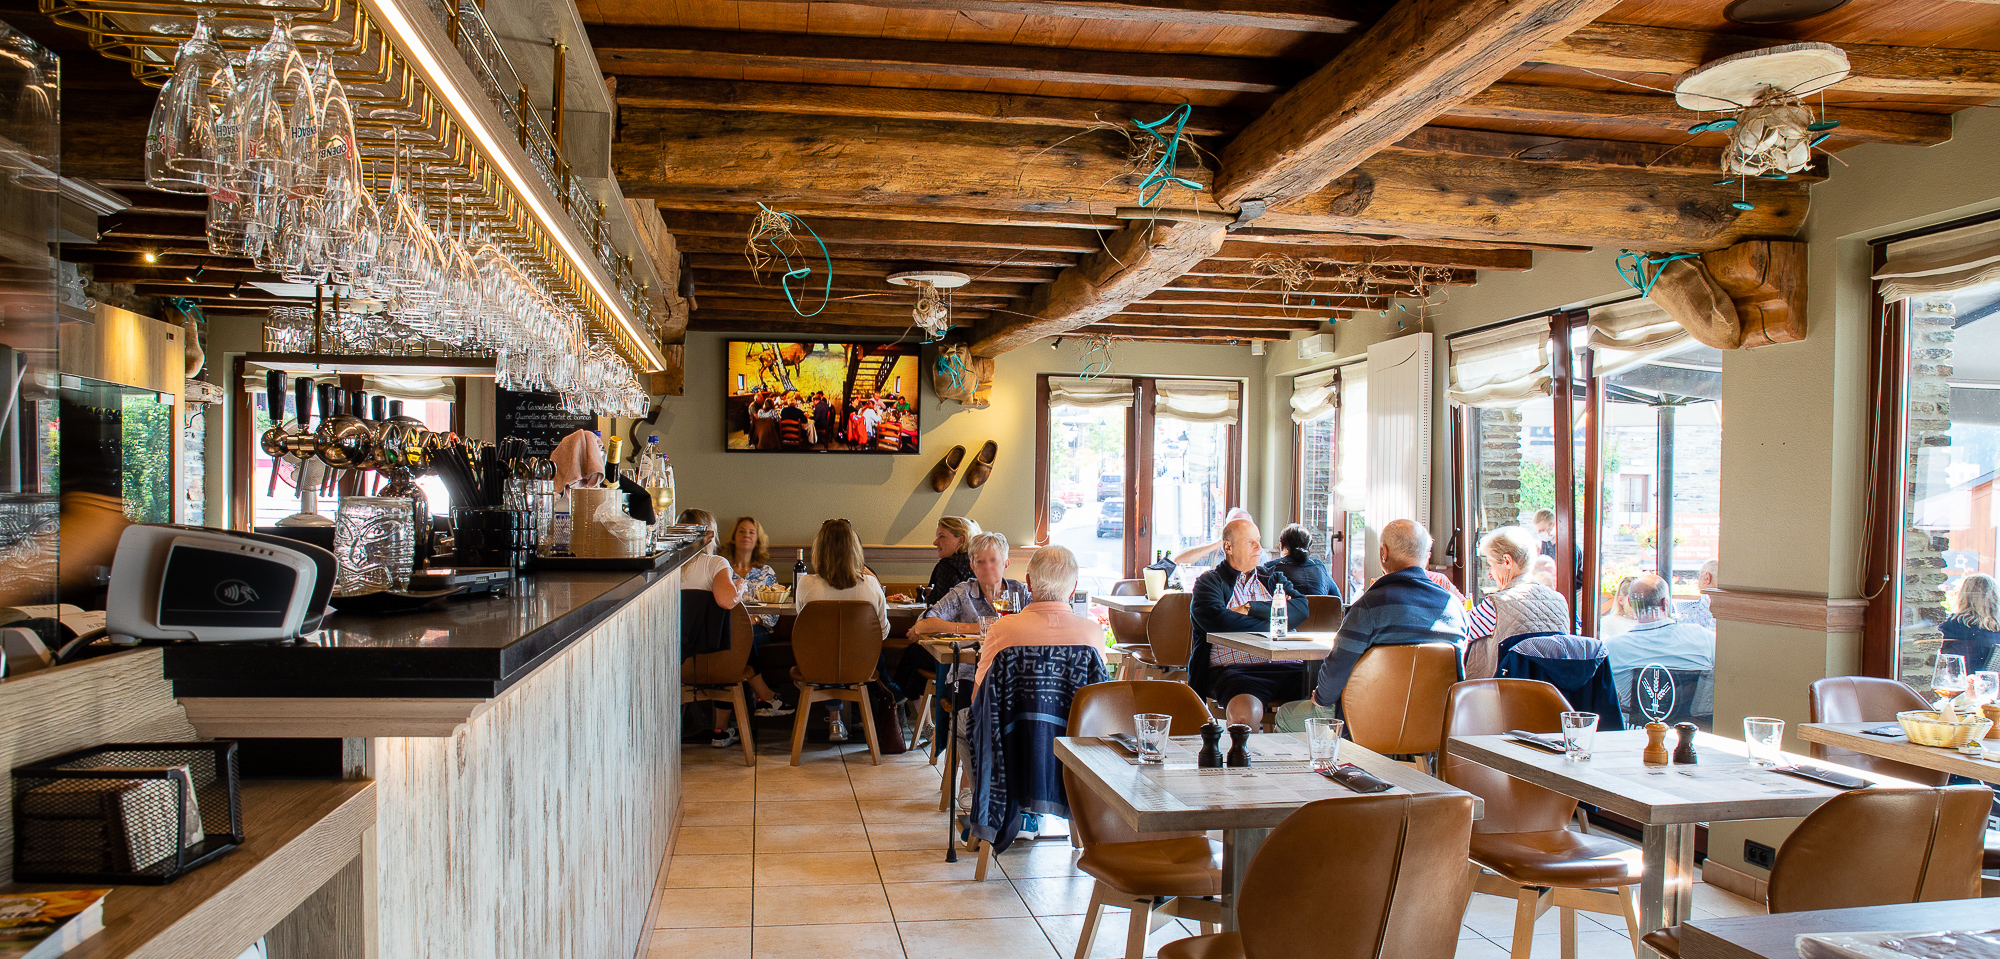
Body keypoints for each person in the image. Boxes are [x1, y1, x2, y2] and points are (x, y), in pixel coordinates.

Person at [1310, 520, 1467, 716]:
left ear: (1384, 552)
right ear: (1425, 557)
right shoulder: (1455, 608)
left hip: (1367, 724)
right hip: (1435, 725)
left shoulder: (1369, 606)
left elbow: (1336, 671)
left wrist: (1320, 698)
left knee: (1287, 716)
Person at [1189, 519, 1311, 728]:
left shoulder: (1273, 578)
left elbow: (1301, 609)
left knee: (1336, 695)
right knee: (1244, 717)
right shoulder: (1209, 582)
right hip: (1238, 673)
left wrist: (1250, 608)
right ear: (1228, 547)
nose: (1259, 548)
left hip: (1289, 667)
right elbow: (1220, 622)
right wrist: (1278, 621)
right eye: (1250, 542)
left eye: (1258, 541)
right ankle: (1243, 760)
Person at [795, 519, 890, 743]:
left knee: (826, 649)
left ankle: (835, 720)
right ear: (855, 550)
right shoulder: (871, 585)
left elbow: (803, 627)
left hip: (816, 664)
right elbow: (882, 633)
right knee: (850, 654)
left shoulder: (806, 584)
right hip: (861, 665)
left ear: (819, 550)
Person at [676, 509, 757, 749]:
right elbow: (725, 600)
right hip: (717, 658)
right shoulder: (714, 563)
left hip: (677, 661)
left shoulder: (667, 565)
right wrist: (739, 587)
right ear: (710, 536)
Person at [975, 545, 1105, 690]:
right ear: (1073, 588)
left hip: (1017, 713)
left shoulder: (1000, 630)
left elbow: (978, 698)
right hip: (1075, 713)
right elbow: (1100, 694)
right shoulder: (1093, 632)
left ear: (1028, 582)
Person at [1465, 526, 1571, 678]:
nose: (1489, 574)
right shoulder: (1560, 601)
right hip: (1552, 695)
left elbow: (1456, 631)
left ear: (1507, 561)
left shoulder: (1495, 605)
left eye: (1491, 564)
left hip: (1501, 695)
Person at [1607, 573, 1715, 713]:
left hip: (1634, 732)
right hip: (1691, 731)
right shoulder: (1703, 637)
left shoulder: (1613, 648)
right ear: (1665, 603)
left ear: (1631, 604)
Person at [722, 516, 795, 720]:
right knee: (731, 638)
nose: (746, 535)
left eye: (751, 532)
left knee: (741, 638)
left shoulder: (766, 572)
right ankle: (765, 696)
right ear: (734, 538)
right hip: (726, 628)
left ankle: (726, 724)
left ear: (757, 540)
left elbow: (773, 612)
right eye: (742, 531)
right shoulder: (722, 570)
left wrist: (753, 621)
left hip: (758, 630)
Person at [910, 532, 1031, 639]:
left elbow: (1046, 620)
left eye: (993, 560)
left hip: (1013, 662)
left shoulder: (1020, 591)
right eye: (980, 561)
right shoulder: (963, 593)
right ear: (973, 567)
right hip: (972, 662)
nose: (987, 566)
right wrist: (978, 627)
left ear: (1005, 564)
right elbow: (923, 625)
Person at [1262, 524, 1339, 598]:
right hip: (1321, 611)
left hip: (1287, 611)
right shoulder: (1319, 567)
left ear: (1281, 546)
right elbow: (1337, 600)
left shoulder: (1270, 568)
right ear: (1308, 547)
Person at [1943, 574, 2000, 671]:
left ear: (1965, 595)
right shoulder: (1996, 629)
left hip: (1960, 683)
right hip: (1990, 684)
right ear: (1994, 596)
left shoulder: (1952, 624)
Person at [1172, 507, 1256, 567]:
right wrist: (1217, 543)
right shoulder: (1214, 552)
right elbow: (1178, 561)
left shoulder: (1257, 554)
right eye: (1233, 526)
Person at [1676, 559, 1719, 628]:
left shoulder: (1706, 604)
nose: (1698, 581)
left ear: (1707, 578)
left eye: (1699, 576)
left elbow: (1680, 627)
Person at [1600, 574, 1638, 642]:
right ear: (1620, 600)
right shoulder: (1608, 622)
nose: (1637, 603)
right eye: (1633, 599)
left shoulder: (1649, 624)